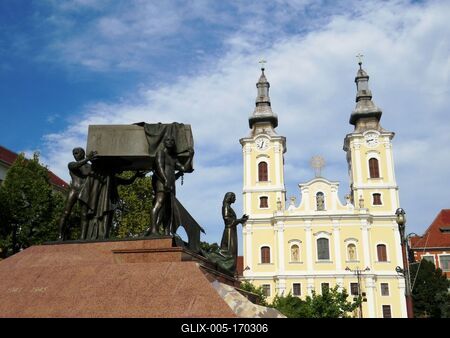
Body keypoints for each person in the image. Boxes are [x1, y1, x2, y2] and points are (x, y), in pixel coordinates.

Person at [145, 136, 192, 236]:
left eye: (172, 140)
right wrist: (165, 180)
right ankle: (153, 229)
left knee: (170, 209)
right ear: (164, 142)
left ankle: (167, 232)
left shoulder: (173, 158)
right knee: (159, 203)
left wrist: (190, 156)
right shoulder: (161, 153)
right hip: (162, 182)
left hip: (171, 185)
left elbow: (184, 168)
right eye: (168, 140)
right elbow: (159, 167)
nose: (170, 142)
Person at [58, 147, 96, 240]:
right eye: (74, 153)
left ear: (82, 153)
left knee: (84, 215)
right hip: (74, 190)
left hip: (85, 191)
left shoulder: (90, 167)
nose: (75, 155)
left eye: (77, 153)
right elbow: (75, 167)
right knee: (66, 213)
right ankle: (60, 235)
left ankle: (82, 237)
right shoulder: (72, 164)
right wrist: (87, 159)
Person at [220, 192, 248, 262]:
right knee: (231, 251)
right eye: (234, 197)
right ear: (229, 198)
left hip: (232, 230)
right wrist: (239, 220)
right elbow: (227, 219)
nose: (235, 199)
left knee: (232, 250)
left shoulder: (229, 207)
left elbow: (231, 219)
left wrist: (240, 219)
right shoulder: (226, 206)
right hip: (229, 231)